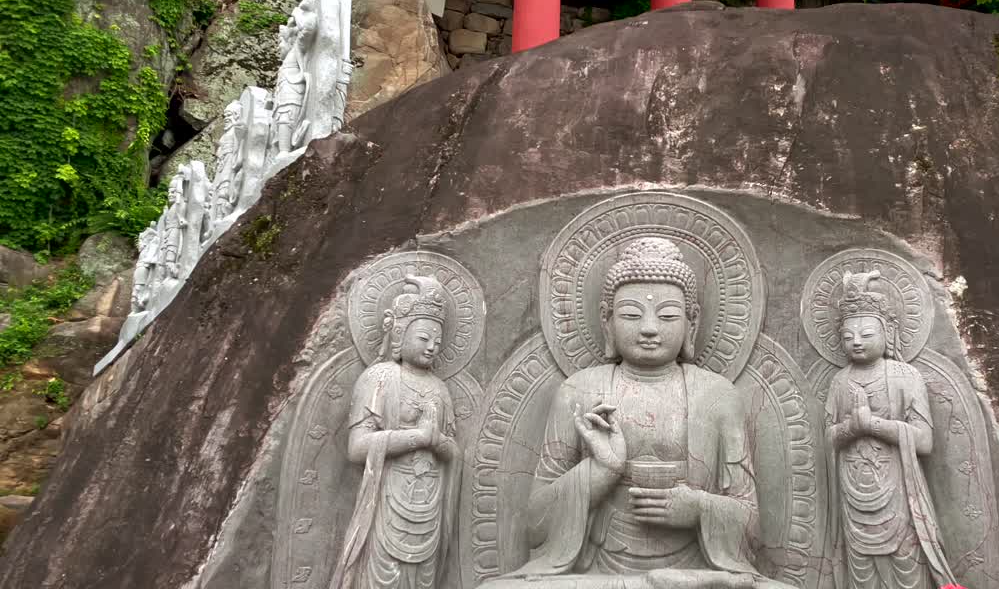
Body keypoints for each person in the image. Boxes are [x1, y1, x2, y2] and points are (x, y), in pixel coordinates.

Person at [484, 237, 787, 589]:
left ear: (692, 322)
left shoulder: (717, 396)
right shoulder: (579, 391)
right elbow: (535, 523)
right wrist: (601, 470)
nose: (649, 328)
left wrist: (699, 508)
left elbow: (751, 527)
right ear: (607, 322)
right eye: (630, 314)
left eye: (668, 315)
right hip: (596, 575)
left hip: (692, 575)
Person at [826, 271, 957, 589]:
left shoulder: (905, 376)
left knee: (907, 568)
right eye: (847, 336)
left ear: (888, 333)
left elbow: (924, 441)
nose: (856, 341)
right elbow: (829, 437)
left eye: (866, 334)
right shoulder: (840, 382)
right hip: (854, 498)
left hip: (899, 497)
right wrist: (851, 429)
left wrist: (874, 425)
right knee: (862, 574)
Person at [331, 276, 459, 589]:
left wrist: (438, 441)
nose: (432, 346)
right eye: (424, 338)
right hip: (386, 505)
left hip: (429, 508)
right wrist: (416, 437)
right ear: (400, 334)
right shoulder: (381, 377)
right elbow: (357, 447)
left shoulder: (439, 389)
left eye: (438, 342)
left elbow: (453, 451)